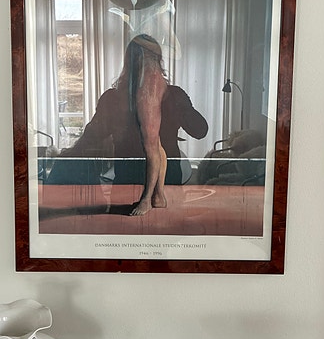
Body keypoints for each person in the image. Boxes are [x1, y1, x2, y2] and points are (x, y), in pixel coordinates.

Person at [48, 35, 208, 215]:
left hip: (137, 181)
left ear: (128, 63)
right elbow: (200, 130)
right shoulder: (120, 99)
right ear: (159, 61)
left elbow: (90, 138)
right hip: (147, 183)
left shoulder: (115, 98)